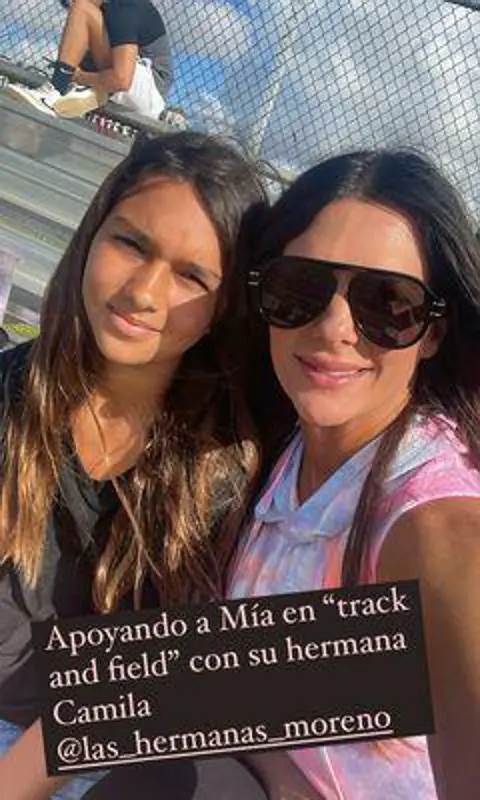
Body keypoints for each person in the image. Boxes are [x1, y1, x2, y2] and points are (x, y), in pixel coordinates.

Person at [0, 130, 268, 800]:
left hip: (92, 762)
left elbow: (139, 686)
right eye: (131, 243)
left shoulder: (222, 471)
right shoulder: (14, 394)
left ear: (224, 307)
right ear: (93, 233)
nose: (145, 291)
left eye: (191, 276)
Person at [228, 150, 480, 799]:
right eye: (299, 289)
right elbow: (239, 682)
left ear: (433, 333)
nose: (333, 328)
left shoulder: (434, 524)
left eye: (388, 302)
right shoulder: (282, 445)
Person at [6, 0, 172, 120]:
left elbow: (122, 80)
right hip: (128, 85)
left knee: (82, 10)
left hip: (150, 94)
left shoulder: (124, 7)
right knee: (81, 23)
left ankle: (55, 91)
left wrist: (78, 77)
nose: (70, 5)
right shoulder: (103, 16)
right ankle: (80, 90)